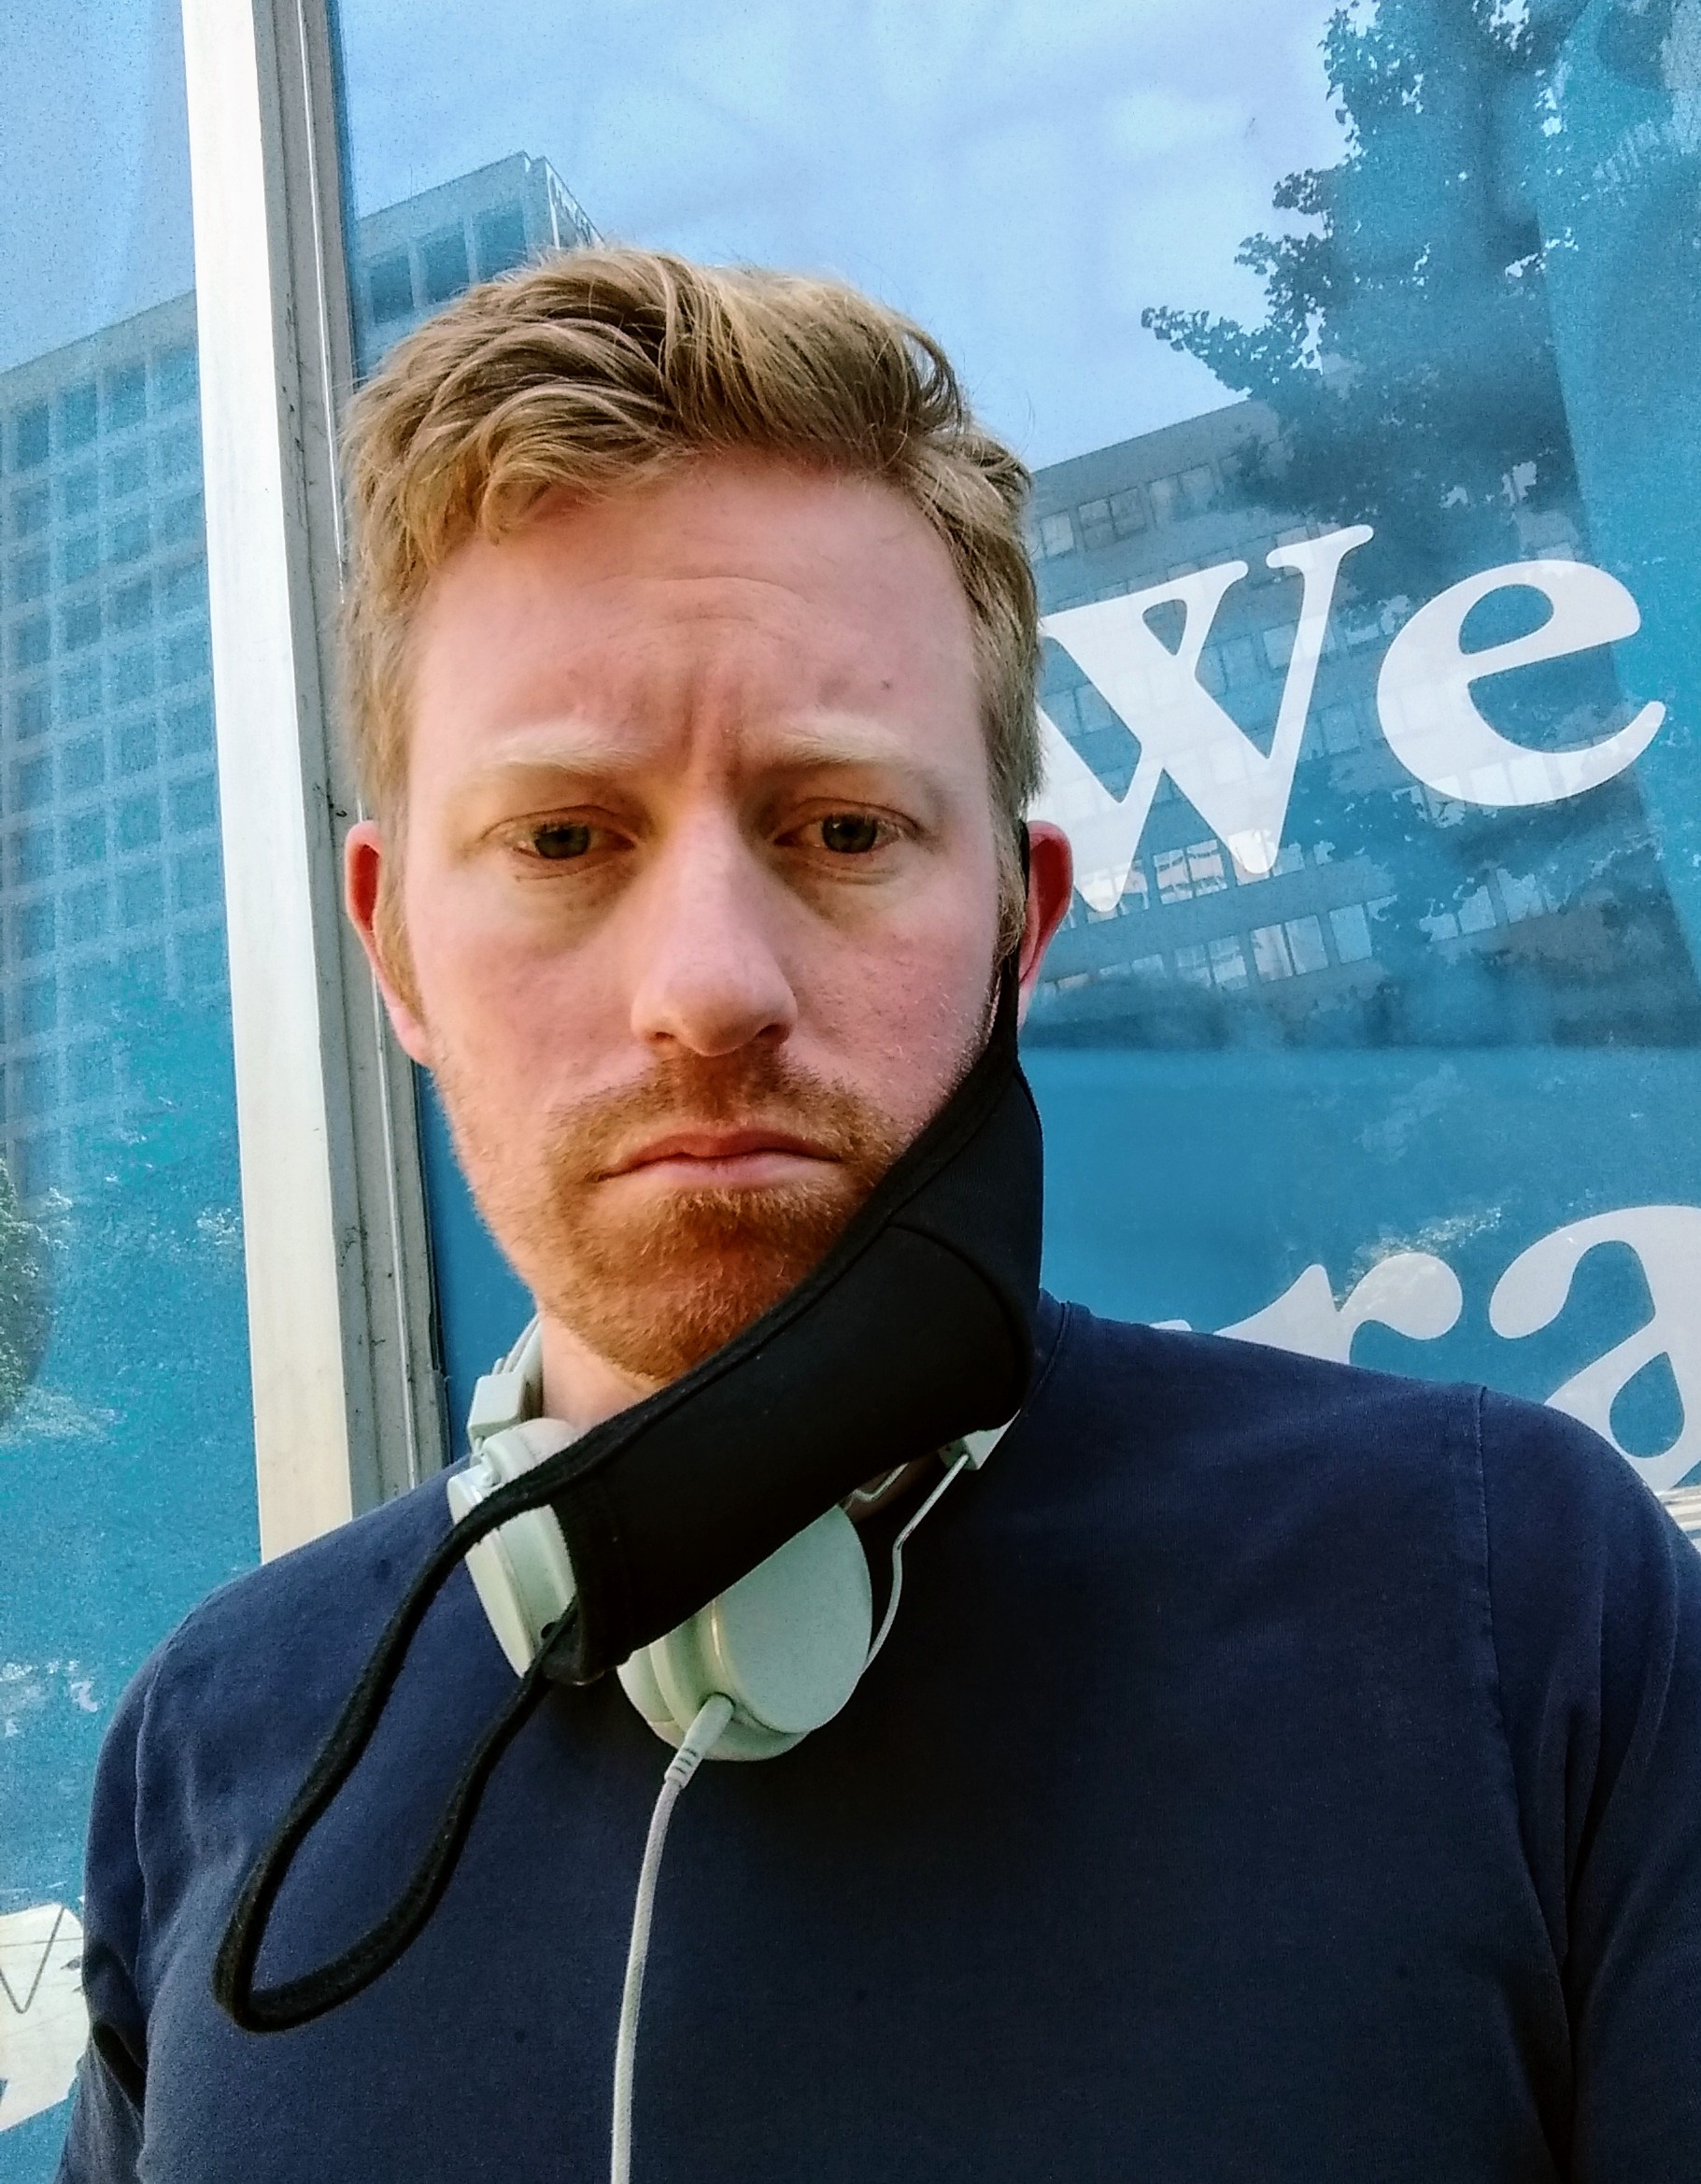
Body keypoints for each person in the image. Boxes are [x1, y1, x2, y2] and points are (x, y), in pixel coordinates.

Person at [60, 249, 1700, 2183]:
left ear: (1018, 925)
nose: (707, 982)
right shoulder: (214, 1747)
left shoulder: (1516, 1608)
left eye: (840, 827)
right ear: (392, 948)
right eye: (563, 838)